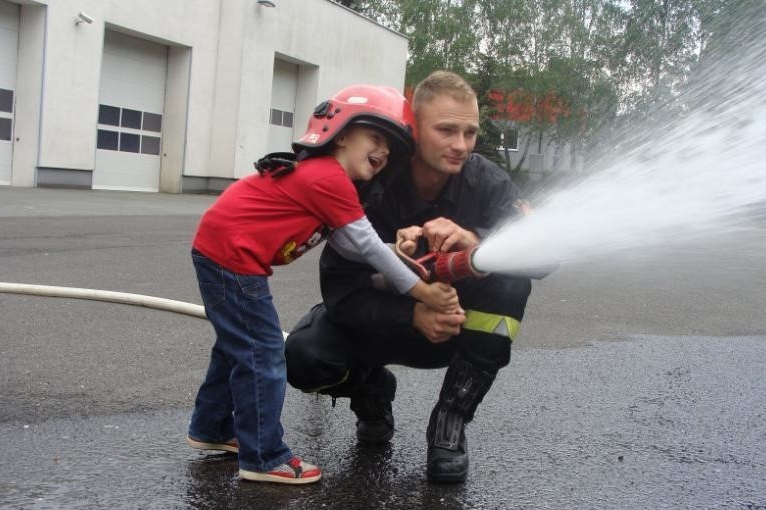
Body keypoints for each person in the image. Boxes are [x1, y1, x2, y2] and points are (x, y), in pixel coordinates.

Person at [186, 84, 458, 485]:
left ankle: (210, 428)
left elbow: (352, 246)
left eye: (390, 148)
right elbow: (364, 244)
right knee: (262, 355)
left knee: (236, 349)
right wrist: (422, 291)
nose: (383, 152)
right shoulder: (327, 177)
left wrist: (398, 255)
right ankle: (263, 457)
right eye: (376, 137)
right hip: (232, 258)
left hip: (222, 251)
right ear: (342, 134)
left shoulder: (326, 180)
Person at [285, 71, 545, 483]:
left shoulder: (486, 181)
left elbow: (544, 257)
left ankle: (449, 424)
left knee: (512, 279)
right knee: (305, 358)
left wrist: (476, 241)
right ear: (414, 129)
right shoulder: (372, 180)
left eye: (470, 132)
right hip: (380, 326)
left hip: (457, 333)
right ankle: (370, 391)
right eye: (446, 130)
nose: (460, 145)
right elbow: (340, 290)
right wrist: (410, 315)